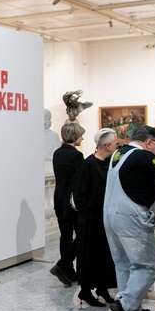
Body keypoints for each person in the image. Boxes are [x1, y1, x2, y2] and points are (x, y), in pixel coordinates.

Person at [104, 124, 155, 311]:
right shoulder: (144, 157)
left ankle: (132, 309)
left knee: (123, 263)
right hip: (132, 219)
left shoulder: (119, 153)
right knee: (147, 267)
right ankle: (124, 305)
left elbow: (139, 168)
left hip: (111, 216)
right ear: (149, 142)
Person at [70, 129, 118, 307]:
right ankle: (85, 291)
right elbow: (79, 195)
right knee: (90, 254)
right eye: (115, 144)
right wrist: (94, 207)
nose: (117, 147)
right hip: (90, 220)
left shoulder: (108, 164)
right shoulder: (88, 165)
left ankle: (102, 288)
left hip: (103, 218)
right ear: (107, 145)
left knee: (104, 255)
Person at [49, 122, 86, 287]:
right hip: (72, 200)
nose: (82, 138)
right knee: (81, 235)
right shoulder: (76, 155)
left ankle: (68, 270)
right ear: (75, 136)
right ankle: (65, 265)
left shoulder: (58, 153)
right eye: (81, 135)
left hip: (59, 198)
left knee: (65, 235)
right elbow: (80, 180)